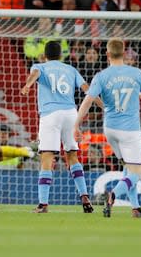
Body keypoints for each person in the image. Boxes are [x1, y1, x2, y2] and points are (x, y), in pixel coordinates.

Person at [74, 37, 141, 218]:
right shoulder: (136, 73)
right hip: (131, 131)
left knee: (128, 167)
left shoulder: (101, 76)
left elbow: (87, 102)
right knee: (135, 174)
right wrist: (140, 94)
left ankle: (136, 208)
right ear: (125, 52)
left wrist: (76, 125)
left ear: (107, 54)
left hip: (110, 130)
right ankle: (113, 195)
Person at [21, 41, 95, 214]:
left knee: (47, 157)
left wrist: (28, 84)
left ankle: (43, 204)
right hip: (70, 113)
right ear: (60, 55)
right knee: (72, 157)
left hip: (50, 114)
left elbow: (36, 73)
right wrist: (101, 103)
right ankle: (84, 195)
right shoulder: (71, 69)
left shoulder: (40, 66)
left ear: (44, 54)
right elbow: (87, 90)